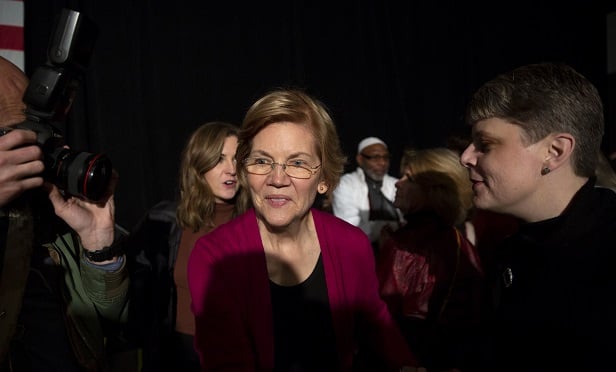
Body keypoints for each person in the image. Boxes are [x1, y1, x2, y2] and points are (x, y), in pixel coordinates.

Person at [187, 88, 422, 371]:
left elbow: (374, 322)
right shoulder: (215, 257)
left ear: (324, 178)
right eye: (262, 161)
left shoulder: (351, 245)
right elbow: (225, 361)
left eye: (297, 163)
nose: (277, 179)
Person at [459, 62, 616, 371]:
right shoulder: (515, 250)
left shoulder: (608, 248)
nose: (465, 157)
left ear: (555, 151)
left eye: (485, 144)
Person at [0, 57, 129, 371]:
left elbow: (107, 327)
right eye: (12, 139)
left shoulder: (53, 220)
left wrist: (98, 245)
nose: (31, 155)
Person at [124, 121, 250, 371]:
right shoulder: (163, 221)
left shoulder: (258, 225)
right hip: (176, 357)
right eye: (219, 159)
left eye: (237, 159)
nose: (231, 170)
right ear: (198, 165)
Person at [376, 147, 486, 371]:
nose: (398, 183)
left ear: (433, 191)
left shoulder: (406, 246)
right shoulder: (457, 241)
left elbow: (384, 319)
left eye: (409, 177)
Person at [331, 136, 403, 251]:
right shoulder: (346, 184)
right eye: (375, 157)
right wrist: (383, 230)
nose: (382, 162)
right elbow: (350, 229)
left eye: (386, 157)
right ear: (360, 159)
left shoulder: (395, 183)